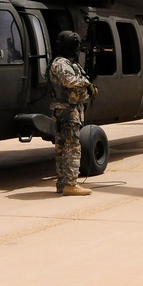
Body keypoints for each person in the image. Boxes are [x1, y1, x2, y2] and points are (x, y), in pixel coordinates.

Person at [49, 31, 97, 196]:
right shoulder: (62, 64)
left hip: (65, 109)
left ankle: (62, 183)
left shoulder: (69, 63)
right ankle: (70, 184)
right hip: (68, 110)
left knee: (62, 147)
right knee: (72, 146)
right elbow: (68, 81)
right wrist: (86, 83)